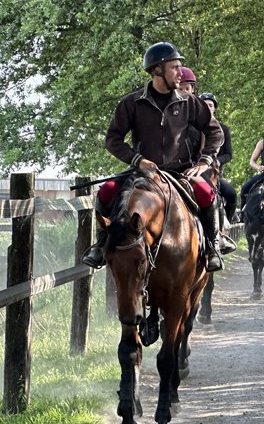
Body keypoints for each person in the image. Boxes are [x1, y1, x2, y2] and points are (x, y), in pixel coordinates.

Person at [81, 42, 226, 272]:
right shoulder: (131, 103)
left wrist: (204, 161)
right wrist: (137, 160)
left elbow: (215, 132)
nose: (180, 73)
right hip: (143, 173)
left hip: (180, 172)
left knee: (207, 193)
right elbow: (113, 139)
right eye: (174, 67)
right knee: (106, 191)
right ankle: (100, 245)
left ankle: (213, 247)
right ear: (158, 69)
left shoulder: (188, 101)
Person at [198, 92, 238, 252]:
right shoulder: (192, 127)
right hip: (195, 172)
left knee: (231, 194)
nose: (207, 107)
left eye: (210, 105)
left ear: (214, 108)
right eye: (204, 105)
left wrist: (218, 161)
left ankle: (223, 230)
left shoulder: (223, 129)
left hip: (214, 174)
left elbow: (228, 154)